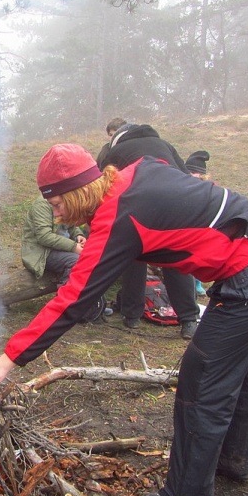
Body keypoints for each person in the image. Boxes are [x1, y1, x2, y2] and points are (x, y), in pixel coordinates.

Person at [0, 143, 248, 496]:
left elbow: (71, 300)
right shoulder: (136, 171)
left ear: (77, 192)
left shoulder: (119, 218)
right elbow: (166, 174)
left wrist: (6, 362)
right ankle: (236, 461)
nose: (57, 216)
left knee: (203, 378)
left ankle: (188, 494)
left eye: (58, 205)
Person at [100, 124, 199, 339]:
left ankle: (132, 315)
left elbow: (102, 184)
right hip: (175, 206)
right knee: (177, 260)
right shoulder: (165, 145)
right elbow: (186, 177)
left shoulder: (115, 152)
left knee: (135, 259)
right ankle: (189, 320)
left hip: (138, 206)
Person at [21, 196, 86, 286]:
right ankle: (68, 298)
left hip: (63, 247)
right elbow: (44, 236)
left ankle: (91, 297)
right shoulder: (42, 205)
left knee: (92, 256)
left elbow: (70, 225)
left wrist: (78, 235)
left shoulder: (65, 199)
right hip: (43, 252)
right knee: (77, 261)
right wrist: (74, 247)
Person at [186, 150, 212, 297]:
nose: (193, 176)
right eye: (190, 172)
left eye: (195, 173)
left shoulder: (208, 190)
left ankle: (196, 283)